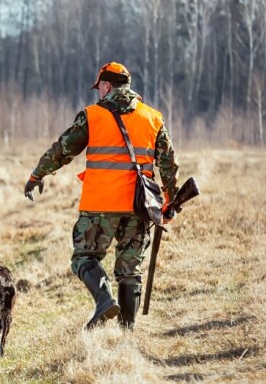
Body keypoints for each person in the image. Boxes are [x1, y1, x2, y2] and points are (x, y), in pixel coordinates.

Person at [24, 62, 179, 330]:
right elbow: (168, 164)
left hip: (99, 207)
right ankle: (126, 334)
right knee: (130, 269)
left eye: (99, 88)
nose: (98, 93)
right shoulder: (154, 118)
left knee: (84, 257)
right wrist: (169, 201)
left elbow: (63, 150)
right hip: (139, 207)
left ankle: (104, 300)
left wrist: (38, 174)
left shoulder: (92, 116)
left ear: (106, 86)